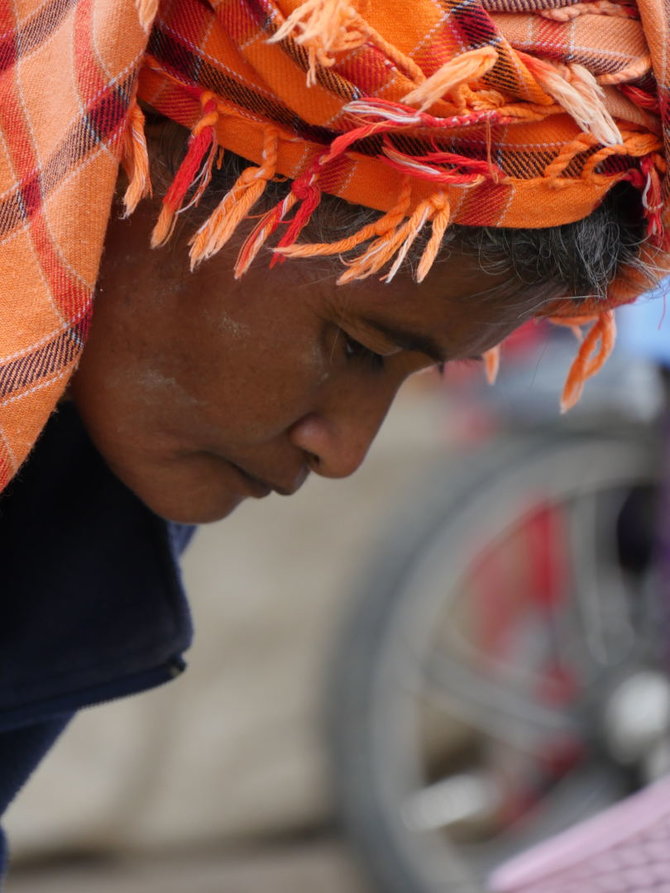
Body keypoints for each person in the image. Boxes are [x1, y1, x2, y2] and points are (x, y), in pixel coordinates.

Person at [0, 0, 667, 879]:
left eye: (410, 375)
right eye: (358, 346)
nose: (342, 449)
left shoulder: (100, 489)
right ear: (151, 157)